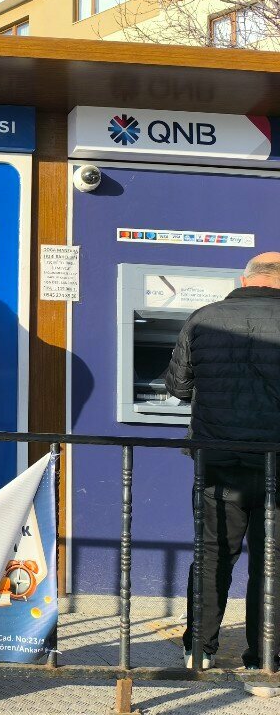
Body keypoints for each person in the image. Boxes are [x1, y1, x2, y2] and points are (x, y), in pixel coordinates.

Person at [166, 252, 280, 670]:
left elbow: (178, 387)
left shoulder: (204, 317)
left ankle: (199, 649)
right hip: (276, 464)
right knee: (273, 560)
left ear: (244, 279)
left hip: (218, 463)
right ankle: (265, 654)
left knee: (213, 553)